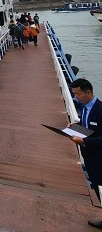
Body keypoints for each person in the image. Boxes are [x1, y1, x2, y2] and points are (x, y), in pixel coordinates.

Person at [70, 78, 102, 229]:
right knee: (96, 186)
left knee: (101, 186)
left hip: (99, 158)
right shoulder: (85, 107)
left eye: (78, 94)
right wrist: (76, 126)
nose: (76, 98)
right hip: (89, 157)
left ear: (88, 92)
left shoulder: (100, 110)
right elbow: (87, 125)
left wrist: (84, 141)